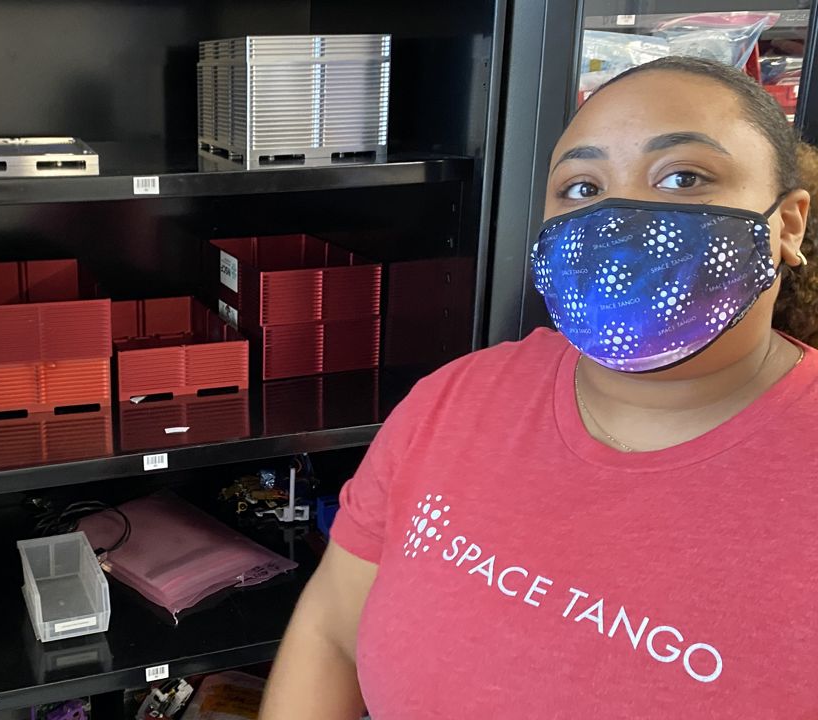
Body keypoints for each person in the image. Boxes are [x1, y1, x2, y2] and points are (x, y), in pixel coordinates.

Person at [260, 57, 818, 718]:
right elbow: (332, 632)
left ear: (788, 224)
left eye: (682, 177)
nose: (615, 222)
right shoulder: (457, 400)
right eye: (581, 188)